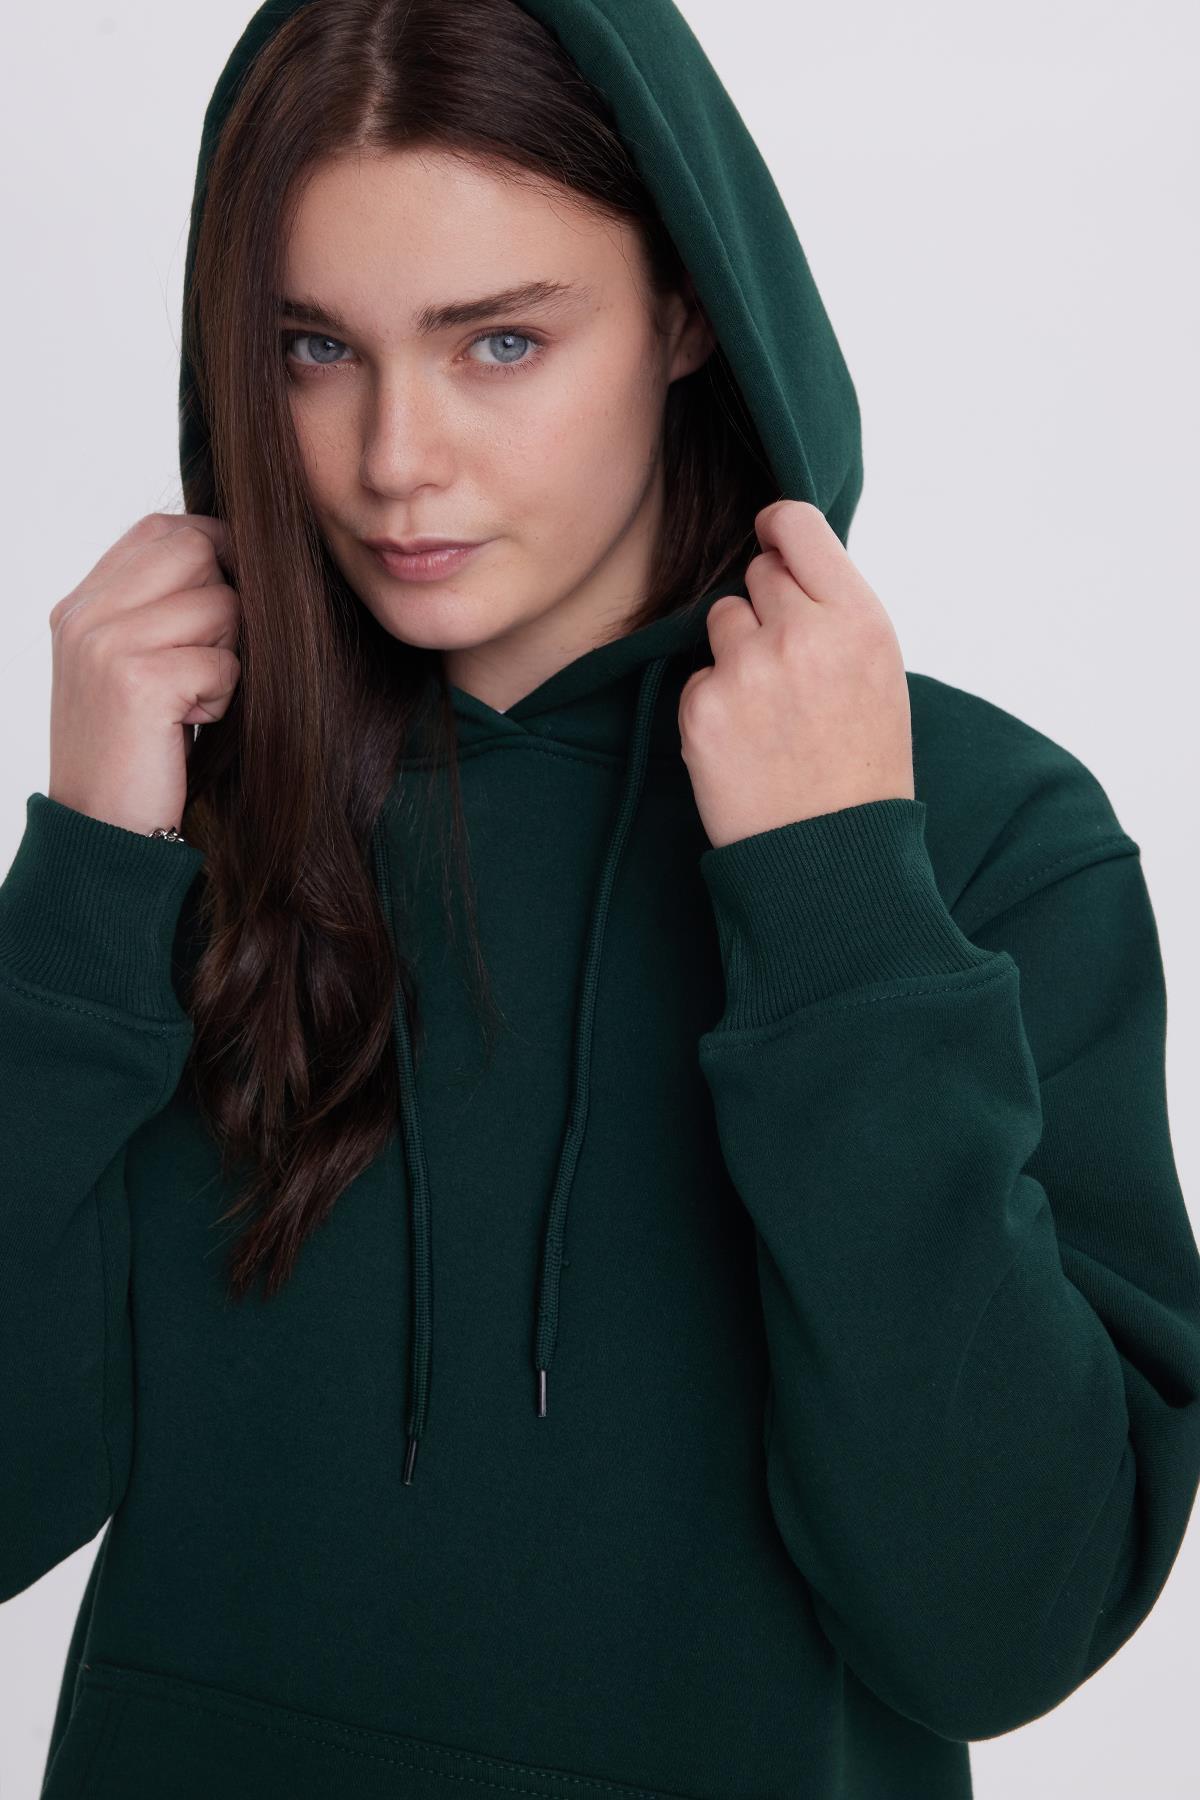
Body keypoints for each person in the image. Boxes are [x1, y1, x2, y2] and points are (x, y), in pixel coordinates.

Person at [2, 1, 1198, 1796]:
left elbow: (998, 1621)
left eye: (499, 341)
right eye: (317, 348)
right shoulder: (184, 806)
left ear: (688, 312)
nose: (393, 456)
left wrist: (835, 903)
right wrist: (88, 887)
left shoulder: (969, 835)